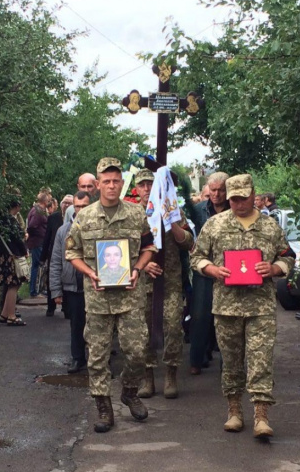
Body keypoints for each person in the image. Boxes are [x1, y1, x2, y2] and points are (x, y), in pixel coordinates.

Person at [191, 174, 294, 439]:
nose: (238, 203)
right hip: (227, 307)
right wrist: (212, 269)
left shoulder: (270, 227)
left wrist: (274, 268)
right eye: (233, 199)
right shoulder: (214, 225)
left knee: (261, 360)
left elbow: (289, 256)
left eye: (243, 198)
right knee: (232, 363)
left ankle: (261, 415)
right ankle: (234, 411)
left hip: (260, 307)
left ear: (253, 194)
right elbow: (196, 258)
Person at [65, 157, 156, 433]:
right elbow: (72, 252)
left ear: (121, 183)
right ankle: (104, 407)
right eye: (106, 181)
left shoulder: (136, 214)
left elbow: (149, 247)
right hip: (98, 298)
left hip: (130, 296)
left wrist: (138, 269)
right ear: (98, 184)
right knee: (97, 356)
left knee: (138, 351)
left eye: (116, 180)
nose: (112, 185)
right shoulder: (85, 216)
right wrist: (90, 273)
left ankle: (129, 391)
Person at [132, 168, 194, 399]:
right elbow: (122, 250)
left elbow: (188, 243)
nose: (147, 189)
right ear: (136, 189)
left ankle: (171, 374)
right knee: (143, 331)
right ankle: (147, 376)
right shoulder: (132, 214)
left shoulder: (174, 211)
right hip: (143, 283)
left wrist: (173, 222)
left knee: (172, 328)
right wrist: (143, 264)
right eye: (143, 185)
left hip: (170, 284)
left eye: (151, 184)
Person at [189, 172, 229, 375]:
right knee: (200, 315)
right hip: (203, 268)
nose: (216, 194)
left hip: (228, 269)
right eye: (213, 190)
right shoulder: (198, 210)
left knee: (228, 317)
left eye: (221, 190)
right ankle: (196, 359)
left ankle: (227, 363)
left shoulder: (235, 209)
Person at [51, 191, 91, 373]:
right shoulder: (63, 231)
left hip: (94, 285)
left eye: (85, 206)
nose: (81, 210)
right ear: (73, 207)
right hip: (72, 286)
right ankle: (77, 357)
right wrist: (56, 291)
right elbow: (56, 261)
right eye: (78, 206)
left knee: (96, 325)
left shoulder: (98, 226)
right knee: (76, 324)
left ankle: (98, 361)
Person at [0, 195, 29, 326]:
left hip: (1, 255)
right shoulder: (10, 220)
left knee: (8, 284)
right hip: (11, 256)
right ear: (16, 206)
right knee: (14, 284)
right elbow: (18, 238)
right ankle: (11, 316)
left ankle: (4, 313)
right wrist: (25, 250)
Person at [41, 197, 65, 316]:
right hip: (54, 252)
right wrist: (43, 256)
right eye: (65, 203)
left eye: (69, 203)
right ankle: (51, 307)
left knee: (66, 280)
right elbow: (47, 237)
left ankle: (66, 308)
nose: (66, 205)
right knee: (52, 278)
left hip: (70, 255)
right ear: (61, 205)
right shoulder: (53, 217)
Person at [26, 191, 50, 297]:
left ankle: (36, 289)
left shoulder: (40, 210)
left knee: (38, 266)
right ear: (44, 201)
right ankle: (33, 291)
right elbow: (31, 226)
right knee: (37, 266)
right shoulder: (37, 211)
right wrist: (39, 235)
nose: (49, 201)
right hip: (37, 242)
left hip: (39, 241)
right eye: (48, 199)